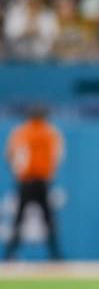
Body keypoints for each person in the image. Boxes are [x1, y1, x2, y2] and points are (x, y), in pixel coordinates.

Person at [4, 105, 65, 261]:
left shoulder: (21, 132)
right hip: (42, 181)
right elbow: (57, 156)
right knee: (48, 219)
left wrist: (17, 172)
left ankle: (9, 254)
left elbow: (11, 155)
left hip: (26, 181)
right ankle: (55, 255)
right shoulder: (50, 133)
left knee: (19, 219)